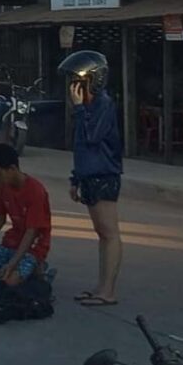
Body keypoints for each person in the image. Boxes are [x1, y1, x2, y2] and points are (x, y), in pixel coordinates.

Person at [60, 50, 124, 307]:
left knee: (109, 233)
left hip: (104, 175)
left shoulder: (103, 104)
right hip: (89, 175)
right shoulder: (87, 107)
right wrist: (76, 178)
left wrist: (77, 110)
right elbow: (81, 148)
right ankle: (101, 286)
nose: (73, 89)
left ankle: (108, 291)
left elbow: (92, 137)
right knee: (102, 233)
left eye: (78, 82)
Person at [0, 143, 52, 287]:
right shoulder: (2, 187)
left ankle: (38, 269)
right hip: (10, 243)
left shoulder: (35, 191)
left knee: (9, 281)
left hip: (33, 247)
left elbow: (32, 232)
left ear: (12, 168)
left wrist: (12, 264)